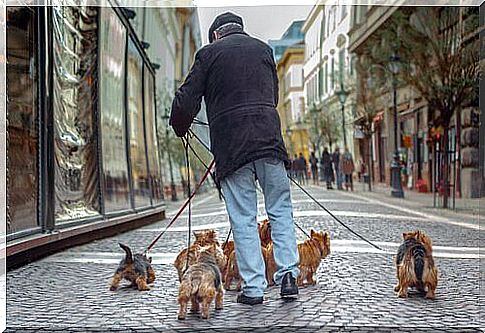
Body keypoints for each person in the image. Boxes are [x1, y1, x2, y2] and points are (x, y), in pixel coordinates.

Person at [169, 12, 299, 305]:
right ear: (240, 30)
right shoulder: (263, 50)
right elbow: (273, 97)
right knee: (280, 208)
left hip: (232, 147)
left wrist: (180, 125)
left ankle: (253, 288)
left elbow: (186, 99)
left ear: (215, 35)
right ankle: (289, 275)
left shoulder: (208, 55)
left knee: (243, 216)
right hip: (269, 141)